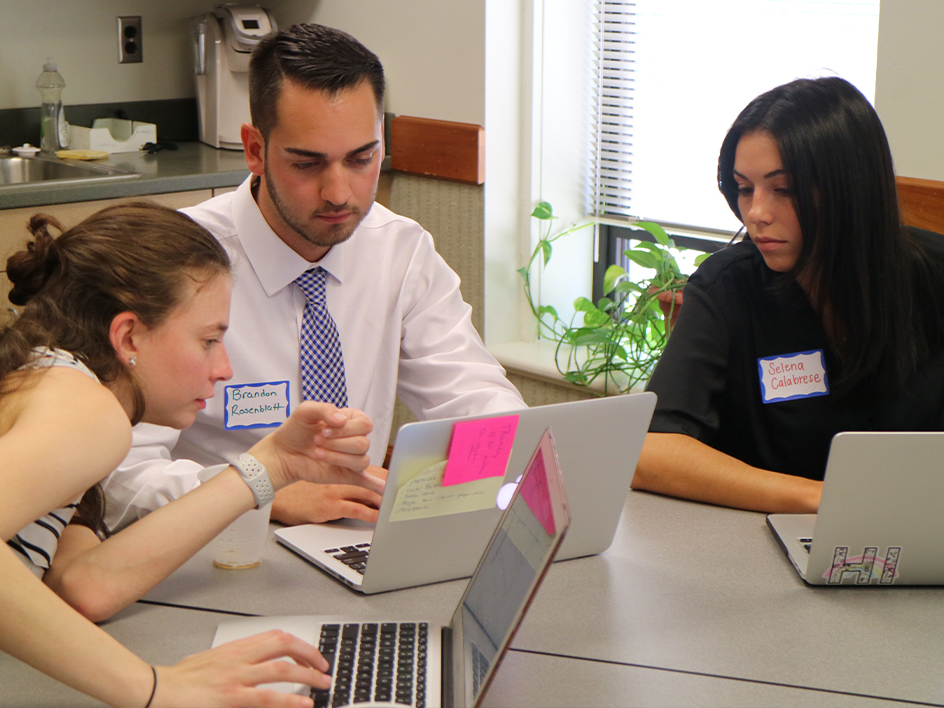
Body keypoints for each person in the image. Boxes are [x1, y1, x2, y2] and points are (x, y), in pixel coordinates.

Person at [102, 23, 525, 532]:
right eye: (307, 164)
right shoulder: (174, 261)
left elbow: (478, 403)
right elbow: (116, 476)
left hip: (354, 538)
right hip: (215, 545)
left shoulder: (400, 250)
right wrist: (259, 491)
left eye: (361, 158)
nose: (339, 193)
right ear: (255, 149)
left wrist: (483, 470)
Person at [0, 202, 380, 707]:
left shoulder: (50, 381)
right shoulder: (86, 409)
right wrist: (156, 688)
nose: (223, 369)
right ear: (128, 335)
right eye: (208, 340)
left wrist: (269, 466)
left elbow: (85, 587)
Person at [632, 76, 944, 513]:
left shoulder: (933, 276)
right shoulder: (729, 287)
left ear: (850, 189)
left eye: (785, 190)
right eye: (745, 189)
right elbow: (654, 452)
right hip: (764, 544)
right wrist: (825, 499)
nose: (757, 212)